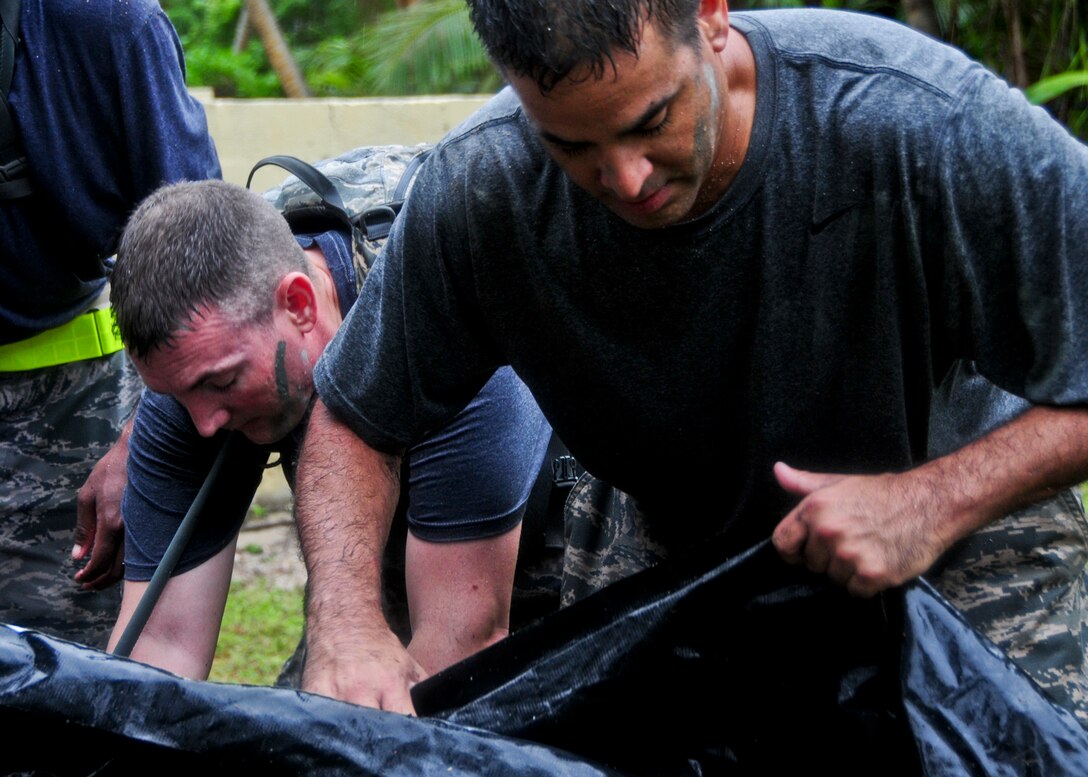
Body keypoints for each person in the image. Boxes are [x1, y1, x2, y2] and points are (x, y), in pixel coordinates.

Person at [290, 0, 1088, 723]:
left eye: (651, 120)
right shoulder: (483, 185)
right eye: (572, 145)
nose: (625, 178)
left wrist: (930, 501)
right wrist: (347, 621)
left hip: (965, 516)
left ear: (710, 16)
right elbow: (356, 414)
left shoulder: (912, 118)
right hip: (686, 532)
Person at [102, 170, 553, 695]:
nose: (205, 424)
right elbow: (161, 650)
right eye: (178, 397)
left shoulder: (442, 327)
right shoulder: (196, 367)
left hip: (557, 535)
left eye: (222, 382)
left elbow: (460, 643)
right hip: (388, 545)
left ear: (298, 304)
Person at [0, 0, 220, 648]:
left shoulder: (110, 24)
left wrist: (142, 441)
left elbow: (204, 258)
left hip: (68, 414)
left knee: (60, 695)